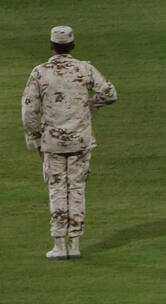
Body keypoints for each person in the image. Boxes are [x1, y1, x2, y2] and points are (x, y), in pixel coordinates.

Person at [21, 26, 117, 260]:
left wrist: (35, 140)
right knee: (77, 190)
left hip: (52, 142)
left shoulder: (40, 72)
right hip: (80, 140)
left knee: (56, 190)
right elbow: (110, 93)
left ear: (51, 46)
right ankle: (74, 245)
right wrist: (90, 107)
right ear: (72, 46)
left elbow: (29, 111)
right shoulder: (84, 69)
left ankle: (58, 245)